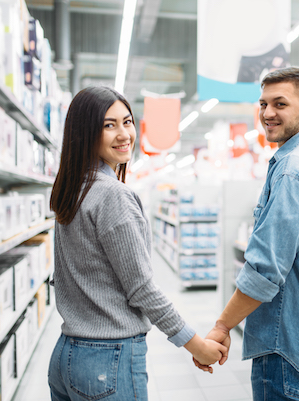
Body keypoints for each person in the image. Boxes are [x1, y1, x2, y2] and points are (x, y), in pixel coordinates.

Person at [196, 67, 299, 400]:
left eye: (280, 103)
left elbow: (264, 269)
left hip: (292, 350)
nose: (267, 113)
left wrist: (222, 326)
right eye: (262, 104)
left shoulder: (294, 170)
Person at [48, 86, 226, 401]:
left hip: (66, 357)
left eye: (127, 122)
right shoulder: (112, 194)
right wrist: (196, 345)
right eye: (108, 125)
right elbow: (142, 289)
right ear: (85, 132)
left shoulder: (71, 189)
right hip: (107, 361)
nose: (123, 134)